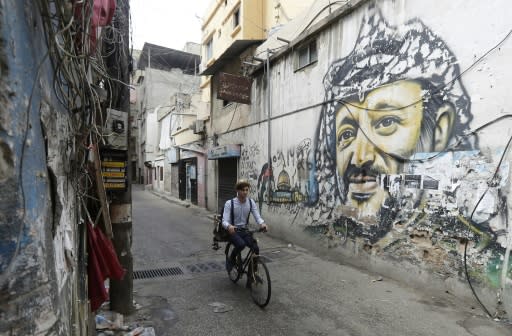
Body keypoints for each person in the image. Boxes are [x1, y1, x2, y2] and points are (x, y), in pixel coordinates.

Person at [312, 7, 475, 242]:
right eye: (347, 133)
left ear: (439, 130)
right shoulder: (325, 235)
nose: (359, 157)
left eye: (386, 122)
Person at [223, 180, 267, 272]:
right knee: (241, 244)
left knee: (255, 248)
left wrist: (262, 223)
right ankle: (231, 259)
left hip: (244, 231)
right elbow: (224, 221)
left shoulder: (251, 203)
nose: (245, 192)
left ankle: (253, 273)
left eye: (247, 190)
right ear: (238, 191)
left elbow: (257, 216)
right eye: (243, 190)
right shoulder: (229, 203)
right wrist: (229, 226)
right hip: (233, 231)